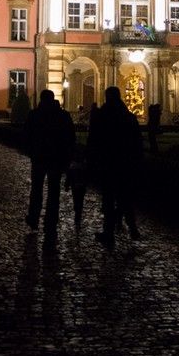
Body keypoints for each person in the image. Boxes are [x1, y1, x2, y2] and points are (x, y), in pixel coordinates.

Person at [87, 86, 143, 249]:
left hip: (108, 163)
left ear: (107, 97)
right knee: (125, 197)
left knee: (109, 199)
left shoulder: (102, 116)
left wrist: (91, 159)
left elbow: (94, 139)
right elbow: (137, 142)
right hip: (125, 163)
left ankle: (109, 233)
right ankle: (133, 228)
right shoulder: (128, 116)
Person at [23, 89, 76, 247]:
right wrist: (67, 157)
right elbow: (70, 138)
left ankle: (33, 218)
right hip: (56, 159)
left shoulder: (34, 115)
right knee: (54, 192)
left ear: (41, 99)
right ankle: (51, 222)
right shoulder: (63, 115)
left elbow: (26, 136)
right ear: (53, 99)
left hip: (39, 158)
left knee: (36, 189)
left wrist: (31, 152)